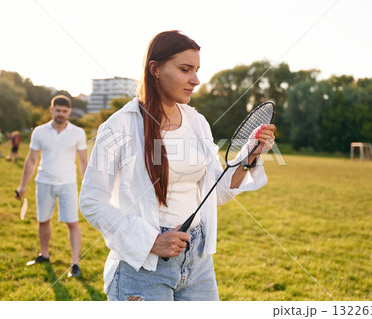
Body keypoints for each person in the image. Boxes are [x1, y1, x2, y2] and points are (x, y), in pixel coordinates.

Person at [79, 30, 276, 300]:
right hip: (142, 268)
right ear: (155, 70)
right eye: (185, 69)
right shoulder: (119, 125)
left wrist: (249, 157)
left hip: (197, 262)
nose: (195, 80)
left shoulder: (197, 122)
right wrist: (151, 241)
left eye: (196, 70)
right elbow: (92, 200)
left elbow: (217, 192)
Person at [16, 95, 88, 278]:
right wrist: (22, 186)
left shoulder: (78, 133)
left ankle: (75, 264)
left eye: (64, 111)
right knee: (43, 220)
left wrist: (88, 186)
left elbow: (83, 161)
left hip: (68, 183)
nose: (61, 114)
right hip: (44, 181)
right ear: (52, 110)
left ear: (69, 112)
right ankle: (44, 254)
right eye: (58, 110)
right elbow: (31, 159)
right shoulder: (39, 132)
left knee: (72, 223)